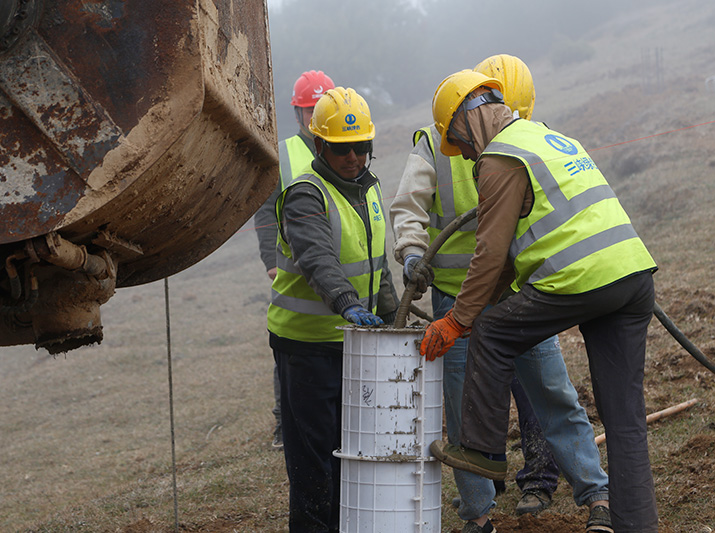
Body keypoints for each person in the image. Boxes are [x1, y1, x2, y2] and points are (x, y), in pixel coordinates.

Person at [422, 68, 659, 533]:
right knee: (624, 417)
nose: (466, 154)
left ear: (468, 122)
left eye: (461, 143)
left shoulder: (499, 158)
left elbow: (489, 251)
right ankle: (638, 525)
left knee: (490, 332)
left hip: (580, 279)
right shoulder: (548, 137)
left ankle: (480, 454)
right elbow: (511, 259)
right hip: (632, 278)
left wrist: (457, 320)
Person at [392, 56, 610, 533]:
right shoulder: (434, 143)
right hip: (454, 300)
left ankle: (597, 495)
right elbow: (408, 207)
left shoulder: (519, 138)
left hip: (518, 296)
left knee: (553, 391)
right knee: (464, 406)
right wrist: (412, 253)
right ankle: (478, 513)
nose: (470, 154)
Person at [267, 87, 399, 532]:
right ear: (319, 145)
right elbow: (317, 258)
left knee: (352, 456)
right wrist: (347, 304)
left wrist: (393, 312)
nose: (354, 158)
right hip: (306, 348)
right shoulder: (306, 193)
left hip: (354, 345)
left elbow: (376, 264)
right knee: (313, 464)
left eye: (362, 147)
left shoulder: (369, 189)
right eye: (343, 149)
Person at [253, 70, 335, 449]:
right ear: (298, 113)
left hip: (339, 262)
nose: (315, 115)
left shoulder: (345, 145)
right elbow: (266, 210)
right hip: (293, 267)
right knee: (290, 340)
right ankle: (282, 424)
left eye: (322, 107)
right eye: (309, 109)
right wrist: (271, 258)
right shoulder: (282, 154)